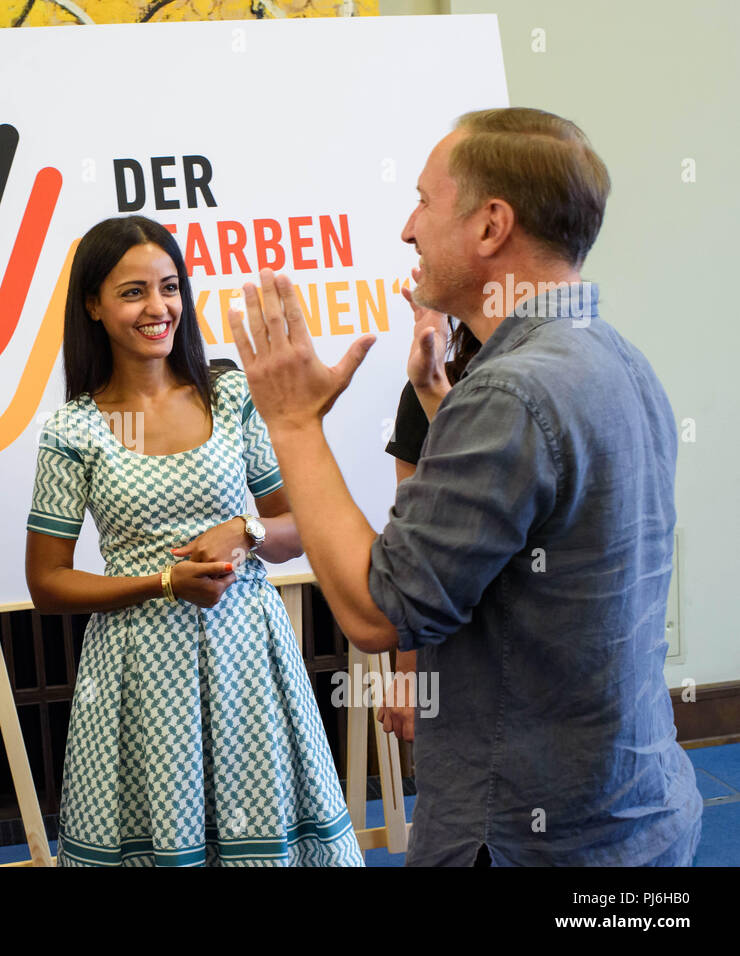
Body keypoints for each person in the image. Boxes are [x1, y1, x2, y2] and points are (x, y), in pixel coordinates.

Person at [229, 107, 702, 866]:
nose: (408, 229)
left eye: (423, 200)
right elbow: (539, 519)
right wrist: (444, 410)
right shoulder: (612, 357)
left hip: (527, 840)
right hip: (637, 820)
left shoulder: (511, 394)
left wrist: (293, 423)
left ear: (491, 227)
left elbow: (378, 611)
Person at [25, 215, 362, 867]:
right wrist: (162, 583)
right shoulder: (72, 430)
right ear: (92, 305)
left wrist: (246, 531)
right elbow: (48, 583)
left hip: (248, 664)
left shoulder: (233, 394)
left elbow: (299, 529)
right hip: (137, 680)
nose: (159, 308)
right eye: (133, 292)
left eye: (170, 286)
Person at [376, 274, 480, 742]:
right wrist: (407, 670)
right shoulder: (428, 387)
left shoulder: (560, 381)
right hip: (455, 647)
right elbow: (413, 538)